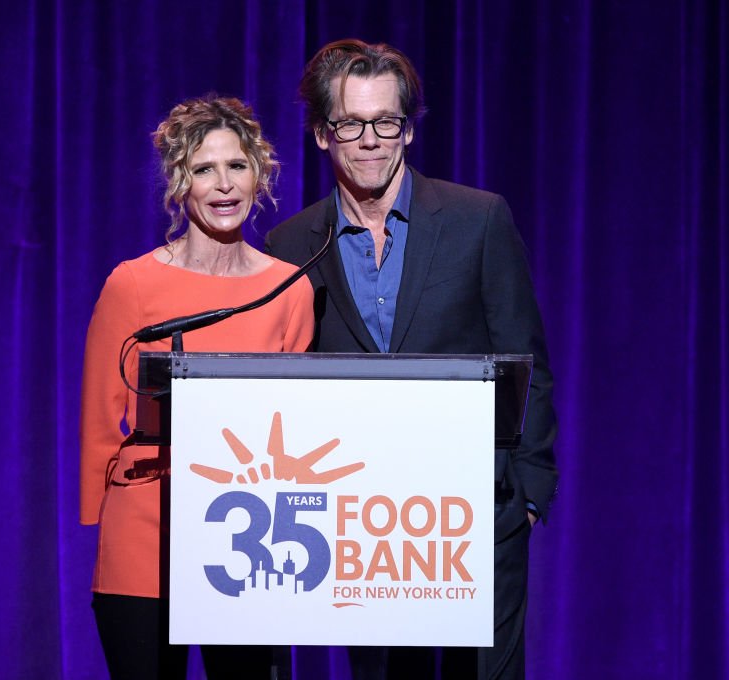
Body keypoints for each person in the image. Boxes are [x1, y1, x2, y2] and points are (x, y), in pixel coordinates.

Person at [265, 39, 557, 680]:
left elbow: (525, 353)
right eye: (350, 124)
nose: (370, 140)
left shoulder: (477, 219)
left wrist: (530, 495)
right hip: (367, 532)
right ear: (322, 135)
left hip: (477, 514)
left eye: (386, 122)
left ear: (407, 130)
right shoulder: (289, 246)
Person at [80, 95, 314, 679]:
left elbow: (297, 428)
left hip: (248, 540)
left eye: (237, 166)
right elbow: (101, 418)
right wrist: (102, 525)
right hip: (145, 529)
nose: (223, 185)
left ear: (258, 175)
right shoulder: (132, 284)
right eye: (203, 169)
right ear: (179, 182)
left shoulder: (291, 289)